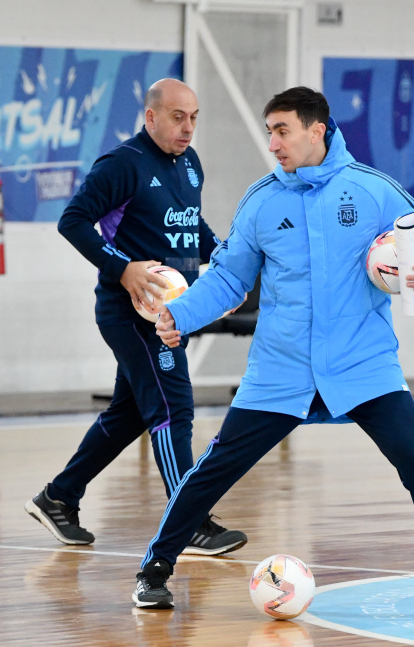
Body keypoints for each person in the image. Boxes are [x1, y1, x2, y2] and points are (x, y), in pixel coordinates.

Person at [131, 87, 414, 621]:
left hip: (364, 366)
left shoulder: (372, 190)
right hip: (280, 368)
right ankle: (153, 573)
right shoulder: (262, 201)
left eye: (282, 130)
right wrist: (181, 315)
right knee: (215, 470)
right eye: (269, 130)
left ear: (317, 130)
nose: (272, 142)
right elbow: (229, 278)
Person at [24, 78, 247, 557]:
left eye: (194, 118)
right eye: (176, 117)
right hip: (132, 315)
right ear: (150, 117)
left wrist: (227, 260)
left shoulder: (189, 165)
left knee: (129, 414)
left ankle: (58, 498)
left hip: (174, 313)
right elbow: (73, 220)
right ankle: (188, 521)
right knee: (171, 408)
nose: (188, 127)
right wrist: (121, 268)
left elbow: (192, 225)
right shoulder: (124, 164)